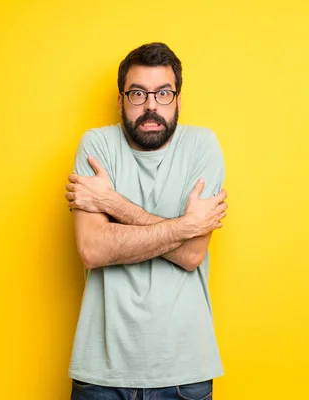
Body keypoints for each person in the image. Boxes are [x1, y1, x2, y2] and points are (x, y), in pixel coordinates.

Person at [65, 42, 227, 400]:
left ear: (178, 100)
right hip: (100, 375)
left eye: (163, 93)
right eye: (138, 93)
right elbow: (92, 249)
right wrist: (184, 226)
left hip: (184, 374)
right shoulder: (97, 146)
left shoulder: (202, 146)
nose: (151, 104)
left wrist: (111, 203)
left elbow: (190, 256)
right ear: (121, 100)